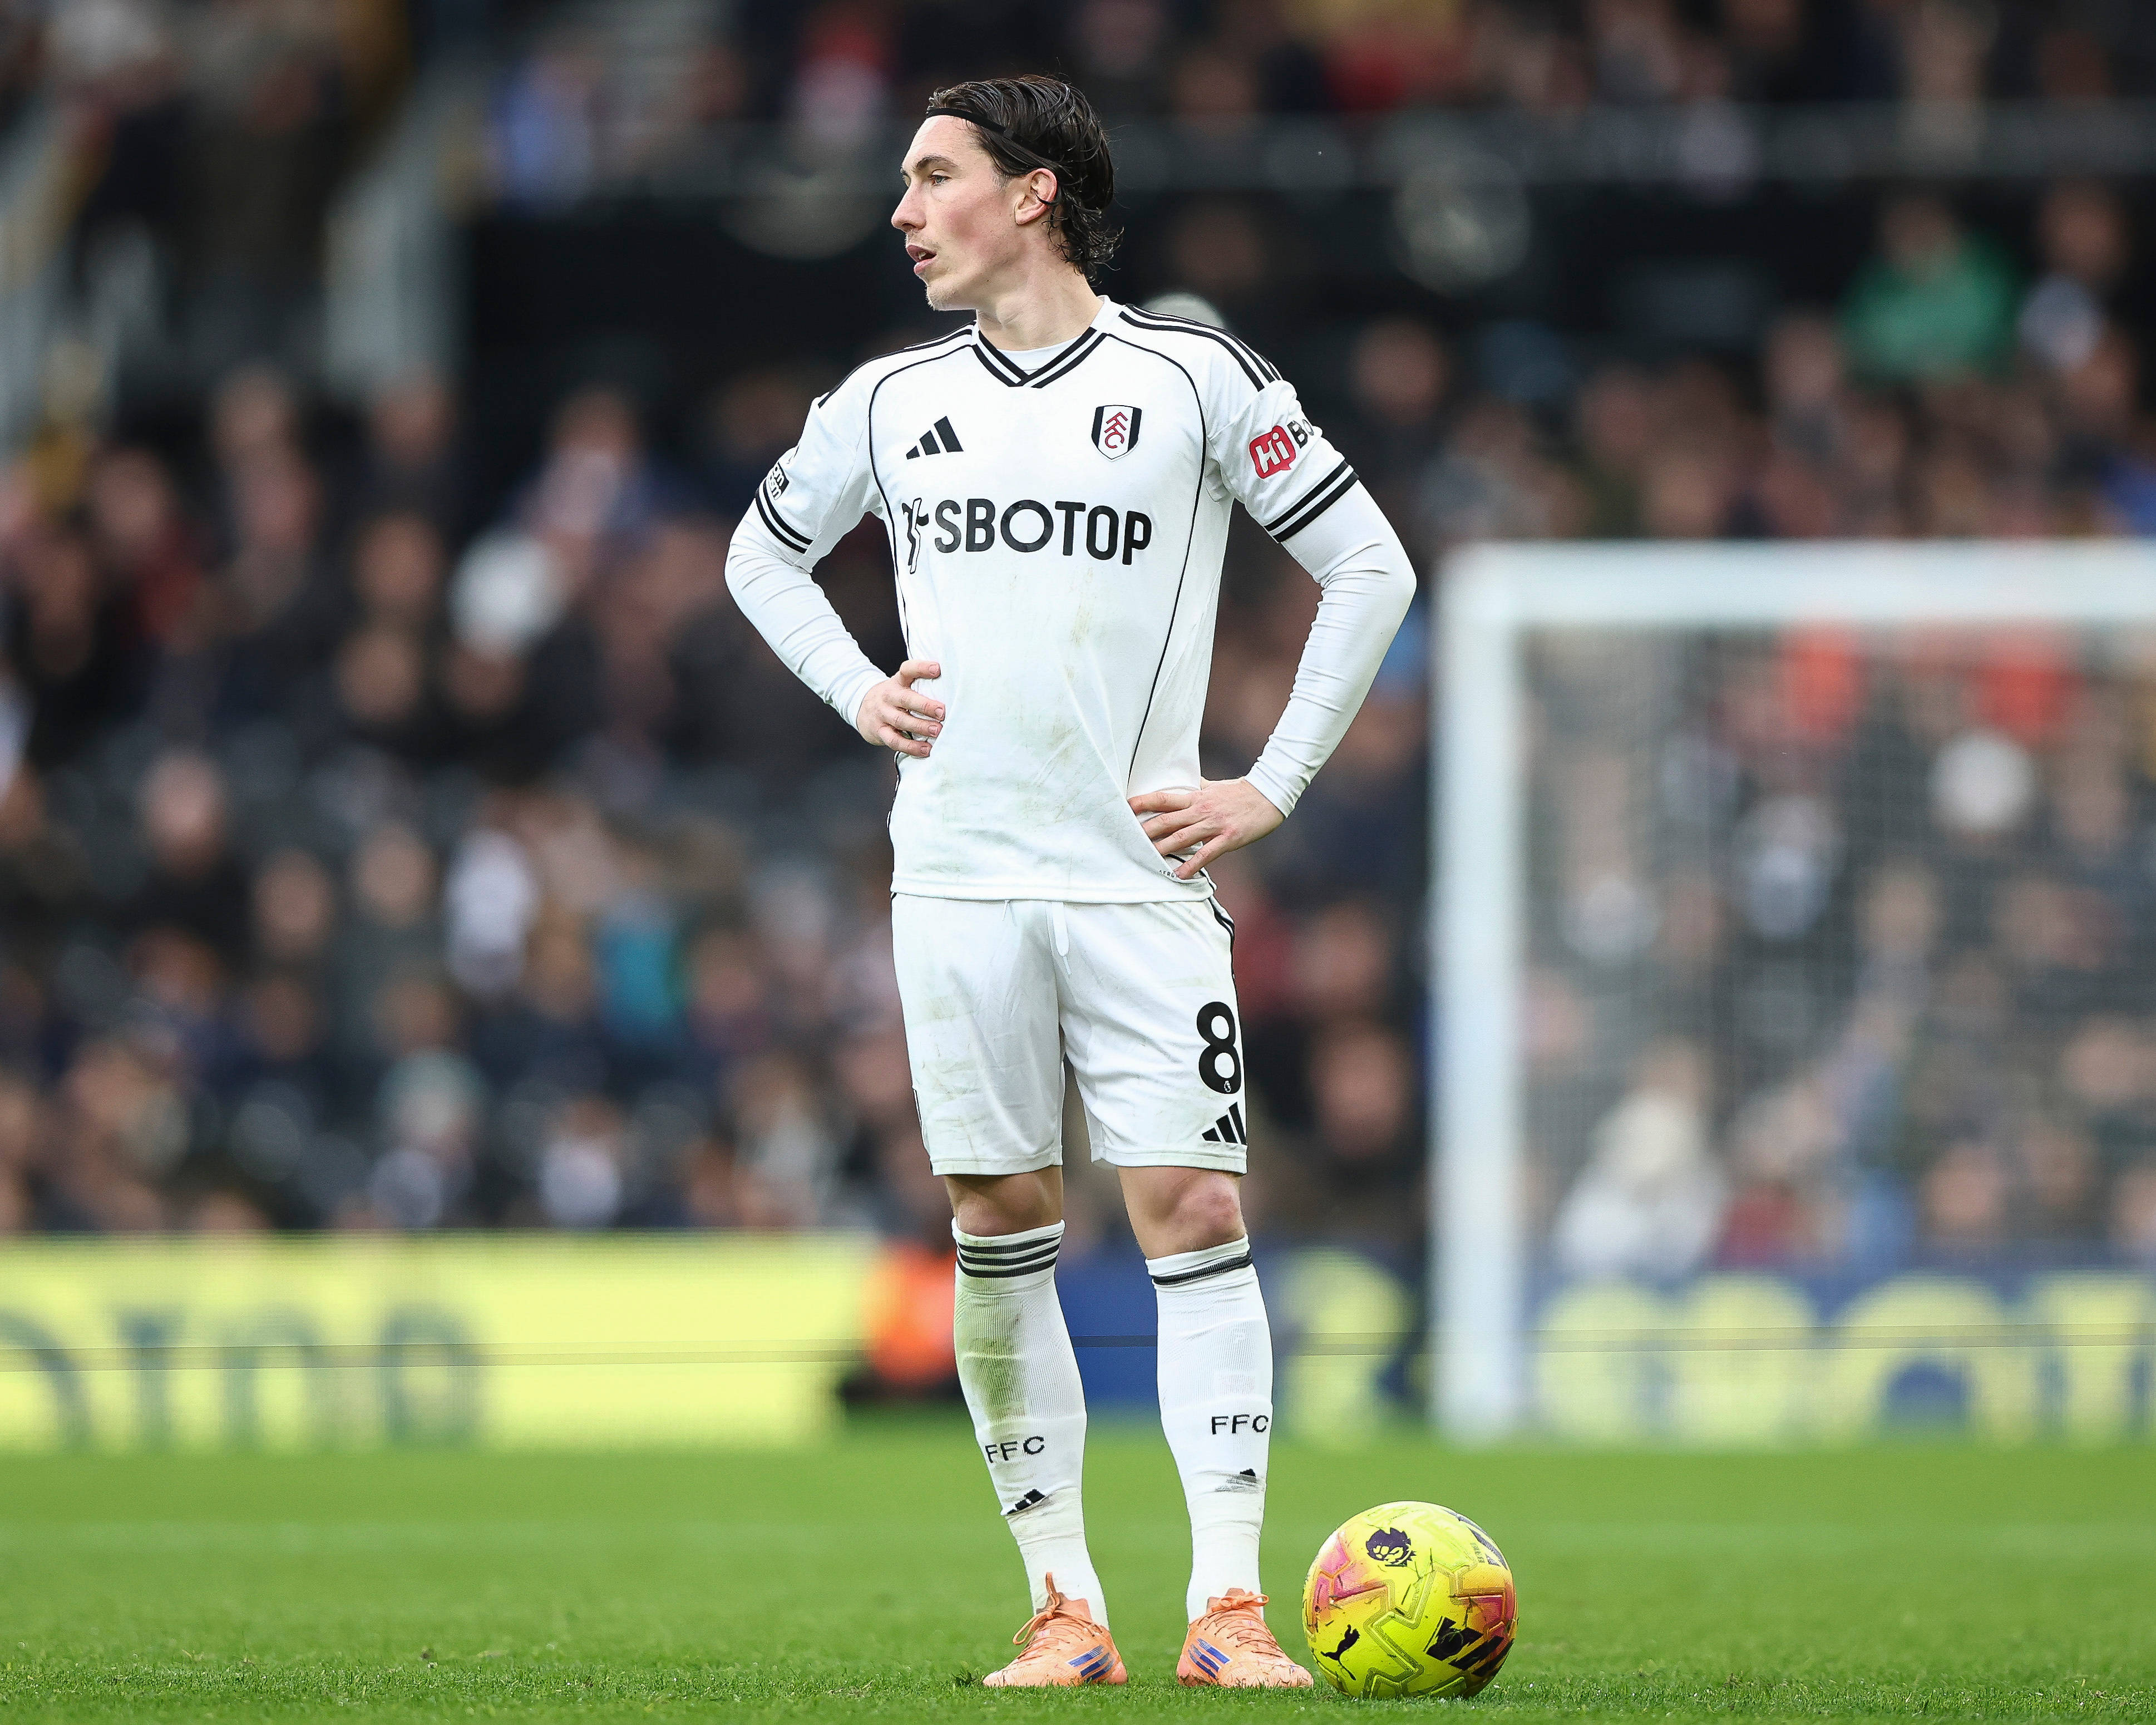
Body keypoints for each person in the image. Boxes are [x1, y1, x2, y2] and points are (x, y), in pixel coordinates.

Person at [724, 74, 1414, 1689]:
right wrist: (856, 689)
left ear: (1032, 192)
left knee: (1191, 1207)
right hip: (957, 878)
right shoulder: (887, 401)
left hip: (1134, 883)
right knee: (997, 1212)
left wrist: (1269, 783)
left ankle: (1229, 1607)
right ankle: (1063, 1605)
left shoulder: (1189, 378)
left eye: (931, 176)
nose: (901, 209)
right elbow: (760, 553)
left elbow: (1367, 561)